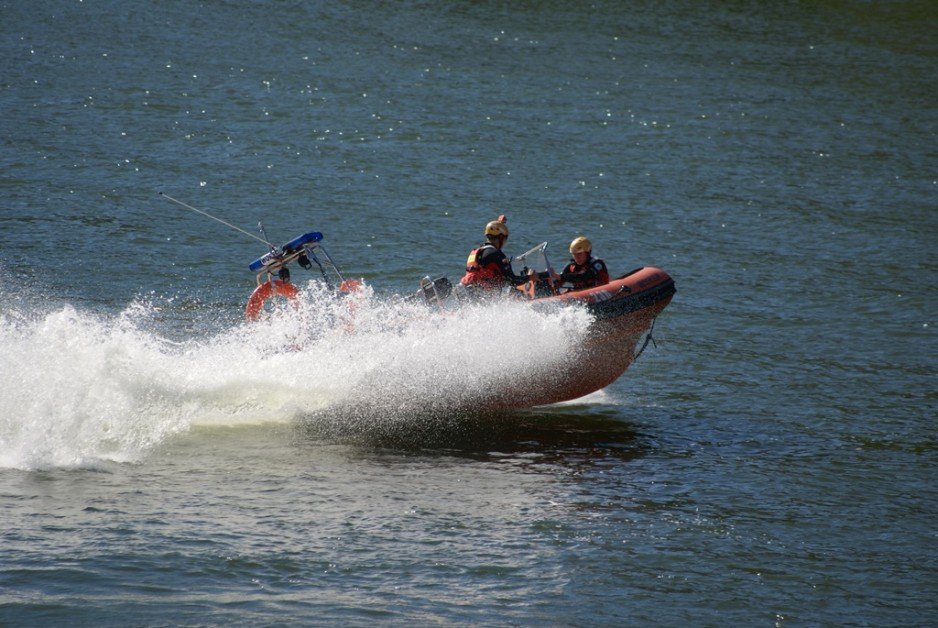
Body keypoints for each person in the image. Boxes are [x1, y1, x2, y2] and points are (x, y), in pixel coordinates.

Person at [460, 215, 532, 293]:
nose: (505, 241)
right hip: (484, 296)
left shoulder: (477, 252)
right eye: (505, 238)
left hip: (466, 291)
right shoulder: (496, 254)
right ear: (501, 237)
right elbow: (512, 280)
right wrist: (530, 277)